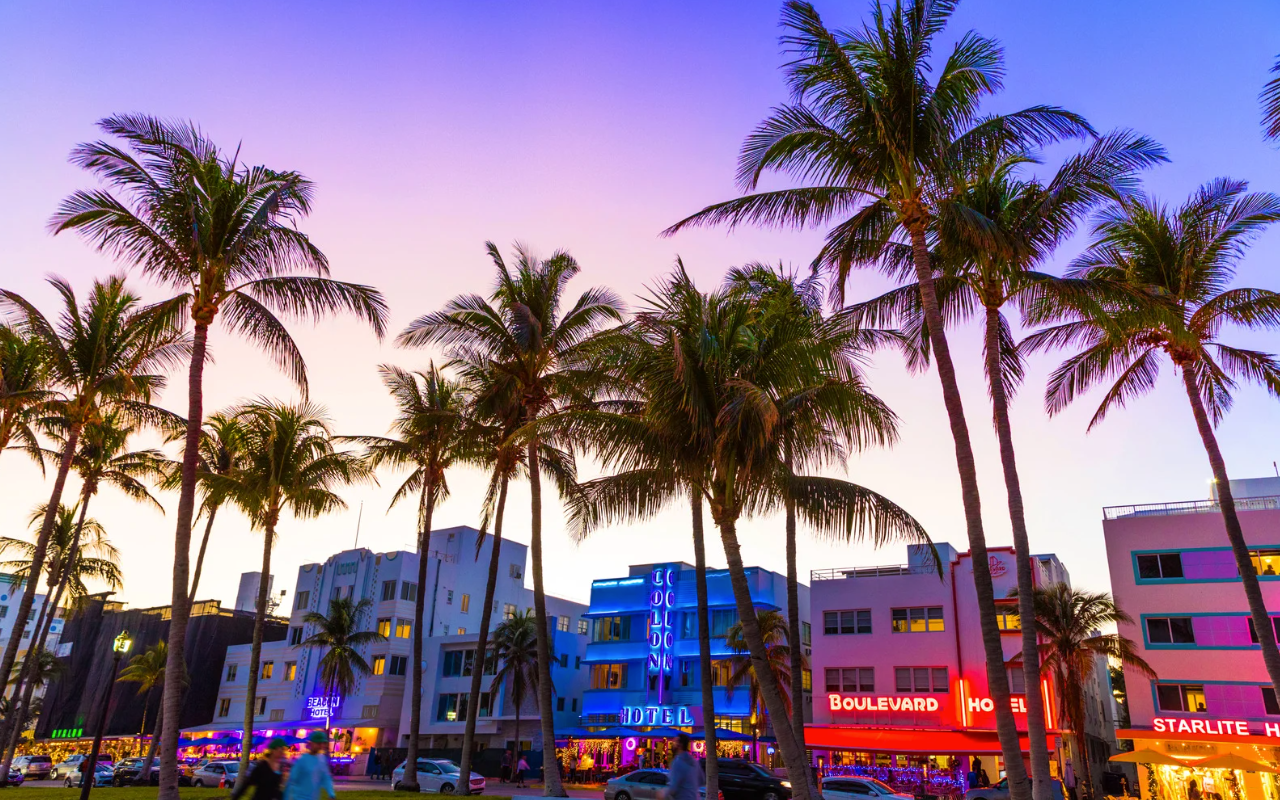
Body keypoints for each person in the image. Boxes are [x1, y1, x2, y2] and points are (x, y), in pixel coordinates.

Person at [283, 731, 335, 800]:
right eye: (318, 743)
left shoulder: (322, 759)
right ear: (311, 743)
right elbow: (292, 781)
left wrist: (331, 794)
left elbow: (326, 778)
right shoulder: (303, 760)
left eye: (322, 743)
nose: (321, 746)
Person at [663, 734, 703, 800]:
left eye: (675, 742)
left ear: (680, 745)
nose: (672, 744)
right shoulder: (694, 761)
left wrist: (662, 793)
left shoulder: (678, 761)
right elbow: (701, 780)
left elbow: (673, 787)